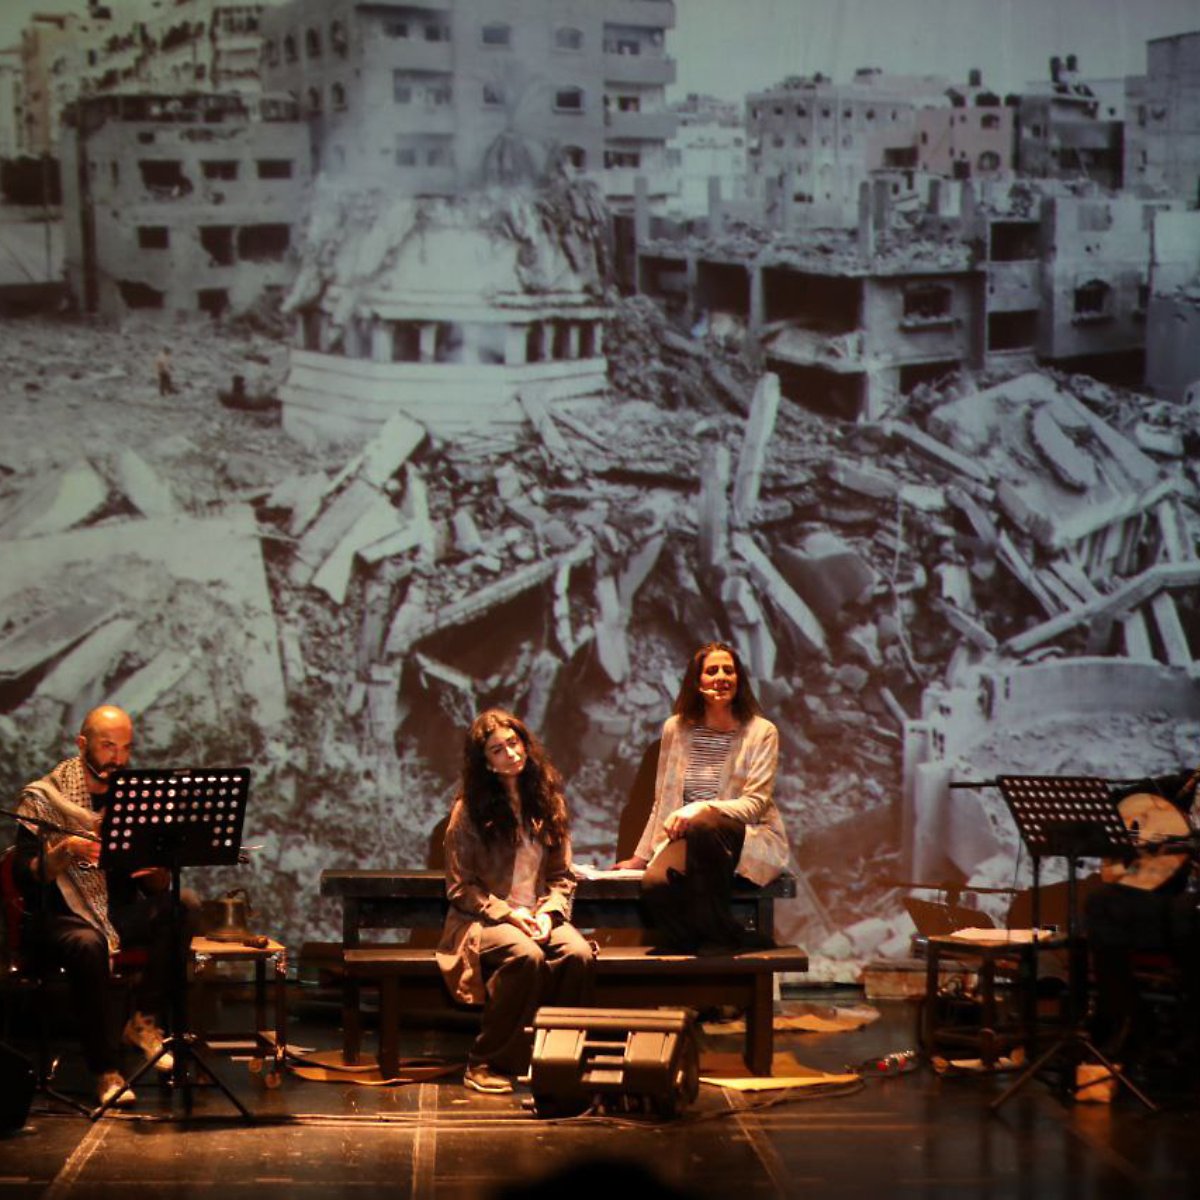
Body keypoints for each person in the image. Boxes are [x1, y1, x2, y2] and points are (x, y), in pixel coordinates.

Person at [14, 705, 183, 1107]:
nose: (119, 758)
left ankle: (142, 1021)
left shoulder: (136, 798)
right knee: (87, 943)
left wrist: (159, 875)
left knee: (182, 903)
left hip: (114, 914)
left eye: (126, 748)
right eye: (109, 747)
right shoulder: (45, 796)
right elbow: (25, 874)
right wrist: (62, 853)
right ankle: (104, 1071)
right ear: (82, 744)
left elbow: (153, 884)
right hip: (57, 920)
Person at [437, 709, 594, 1095]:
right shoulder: (470, 811)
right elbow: (460, 888)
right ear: (486, 763)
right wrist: (510, 913)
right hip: (481, 922)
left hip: (537, 915)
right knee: (526, 955)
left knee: (577, 953)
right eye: (497, 750)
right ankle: (486, 1061)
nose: (510, 753)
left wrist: (548, 913)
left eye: (514, 743)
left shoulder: (547, 801)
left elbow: (561, 876)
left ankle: (556, 1055)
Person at [615, 641, 789, 953]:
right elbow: (663, 799)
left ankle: (717, 945)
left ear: (739, 679)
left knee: (707, 823)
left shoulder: (761, 731)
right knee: (656, 884)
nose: (722, 676)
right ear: (698, 682)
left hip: (743, 835)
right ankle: (727, 938)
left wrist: (700, 808)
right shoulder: (676, 728)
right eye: (712, 671)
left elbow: (754, 805)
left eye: (729, 670)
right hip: (689, 836)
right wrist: (641, 857)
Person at [1084, 767, 1200, 1063]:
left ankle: (1190, 1028)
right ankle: (1127, 1017)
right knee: (1102, 902)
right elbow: (1117, 803)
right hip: (1168, 895)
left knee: (1186, 911)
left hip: (1189, 906)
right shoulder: (1184, 786)